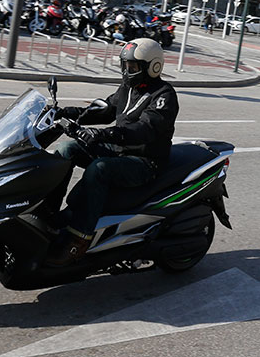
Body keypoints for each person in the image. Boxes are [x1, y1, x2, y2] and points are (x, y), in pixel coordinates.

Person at [46, 38, 178, 266]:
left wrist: (104, 134)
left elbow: (144, 129)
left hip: (144, 161)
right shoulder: (128, 87)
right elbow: (105, 109)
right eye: (125, 65)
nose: (127, 71)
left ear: (153, 66)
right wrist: (66, 112)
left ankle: (79, 240)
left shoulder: (164, 96)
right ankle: (47, 214)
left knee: (100, 169)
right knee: (67, 148)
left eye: (133, 67)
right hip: (119, 149)